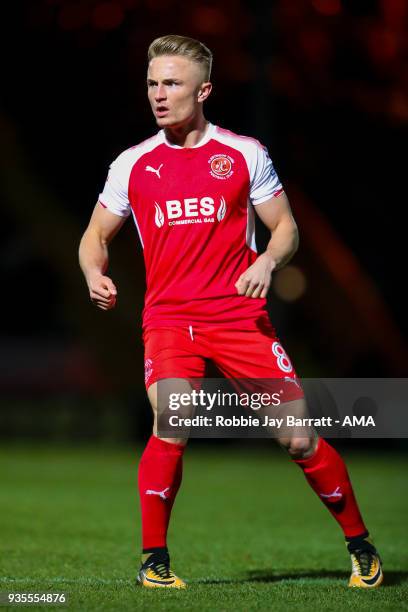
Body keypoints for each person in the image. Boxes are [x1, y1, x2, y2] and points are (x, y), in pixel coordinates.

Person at [79, 34, 382, 590]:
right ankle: (154, 560)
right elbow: (94, 235)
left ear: (205, 89)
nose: (159, 95)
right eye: (152, 83)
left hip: (239, 320)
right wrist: (94, 271)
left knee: (298, 438)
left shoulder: (244, 154)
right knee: (172, 422)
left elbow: (286, 227)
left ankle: (360, 545)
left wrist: (268, 260)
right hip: (169, 320)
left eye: (172, 83)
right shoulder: (132, 164)